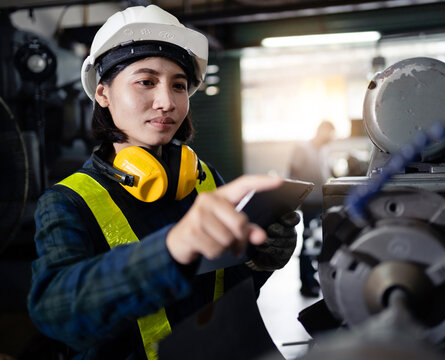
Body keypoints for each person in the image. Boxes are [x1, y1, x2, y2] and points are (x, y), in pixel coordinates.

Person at [26, 5, 299, 360]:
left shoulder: (203, 179)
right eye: (146, 81)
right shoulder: (67, 201)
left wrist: (258, 261)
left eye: (179, 85)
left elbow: (222, 292)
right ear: (103, 93)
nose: (166, 102)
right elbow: (56, 313)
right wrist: (171, 249)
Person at [288, 120, 335, 297]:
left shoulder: (324, 150)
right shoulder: (302, 148)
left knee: (319, 241)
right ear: (322, 130)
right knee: (308, 242)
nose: (332, 138)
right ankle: (305, 282)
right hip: (309, 203)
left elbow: (327, 173)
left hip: (323, 201)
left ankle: (314, 278)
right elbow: (293, 173)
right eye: (330, 133)